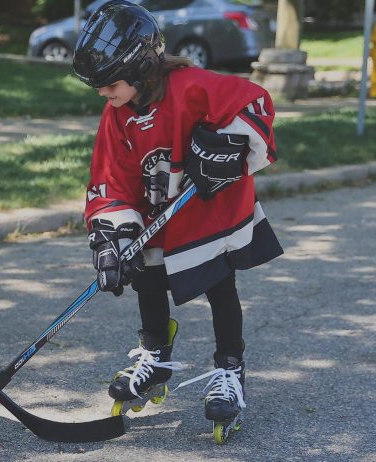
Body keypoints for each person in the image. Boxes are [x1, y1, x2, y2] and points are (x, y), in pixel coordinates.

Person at [72, 0, 282, 445]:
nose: (102, 93)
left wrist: (227, 150)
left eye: (109, 83)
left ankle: (230, 369)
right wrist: (112, 236)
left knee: (219, 287)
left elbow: (255, 104)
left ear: (141, 67)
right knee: (146, 280)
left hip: (206, 212)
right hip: (158, 213)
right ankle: (156, 359)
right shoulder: (117, 115)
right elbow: (110, 176)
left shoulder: (191, 87)